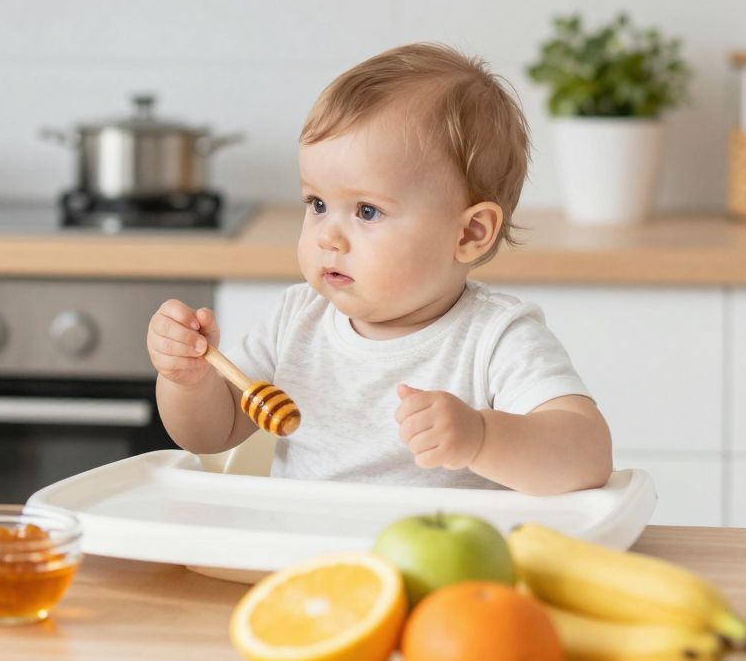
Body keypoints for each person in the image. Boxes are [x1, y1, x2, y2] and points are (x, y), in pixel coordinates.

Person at [146, 44, 613, 494]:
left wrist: (482, 437)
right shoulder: (296, 318)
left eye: (367, 211)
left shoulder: (496, 337)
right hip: (310, 561)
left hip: (440, 569)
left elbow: (587, 456)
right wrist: (187, 382)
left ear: (469, 234)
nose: (328, 236)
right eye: (318, 203)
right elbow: (211, 435)